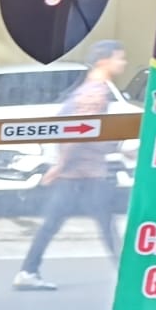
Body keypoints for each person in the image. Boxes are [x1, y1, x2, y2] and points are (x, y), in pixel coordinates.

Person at [14, 39, 127, 291]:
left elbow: (89, 133)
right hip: (84, 173)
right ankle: (128, 278)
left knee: (56, 224)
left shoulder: (88, 88)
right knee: (106, 227)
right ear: (103, 61)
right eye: (119, 58)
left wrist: (115, 148)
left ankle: (28, 271)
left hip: (80, 172)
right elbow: (78, 132)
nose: (123, 63)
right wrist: (60, 166)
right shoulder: (95, 93)